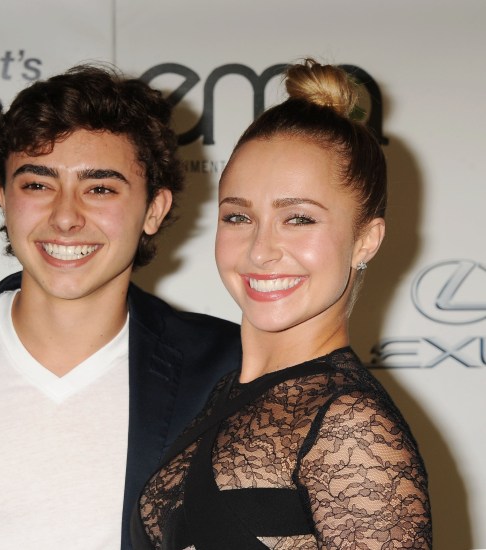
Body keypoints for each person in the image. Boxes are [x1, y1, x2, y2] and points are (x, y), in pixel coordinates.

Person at [0, 65, 241, 550]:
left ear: (153, 209)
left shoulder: (227, 368)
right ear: (2, 197)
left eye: (100, 189)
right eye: (37, 185)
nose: (66, 216)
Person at [132, 59, 432, 549]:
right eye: (238, 217)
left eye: (298, 219)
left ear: (366, 241)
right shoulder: (228, 395)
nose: (260, 249)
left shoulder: (349, 423)